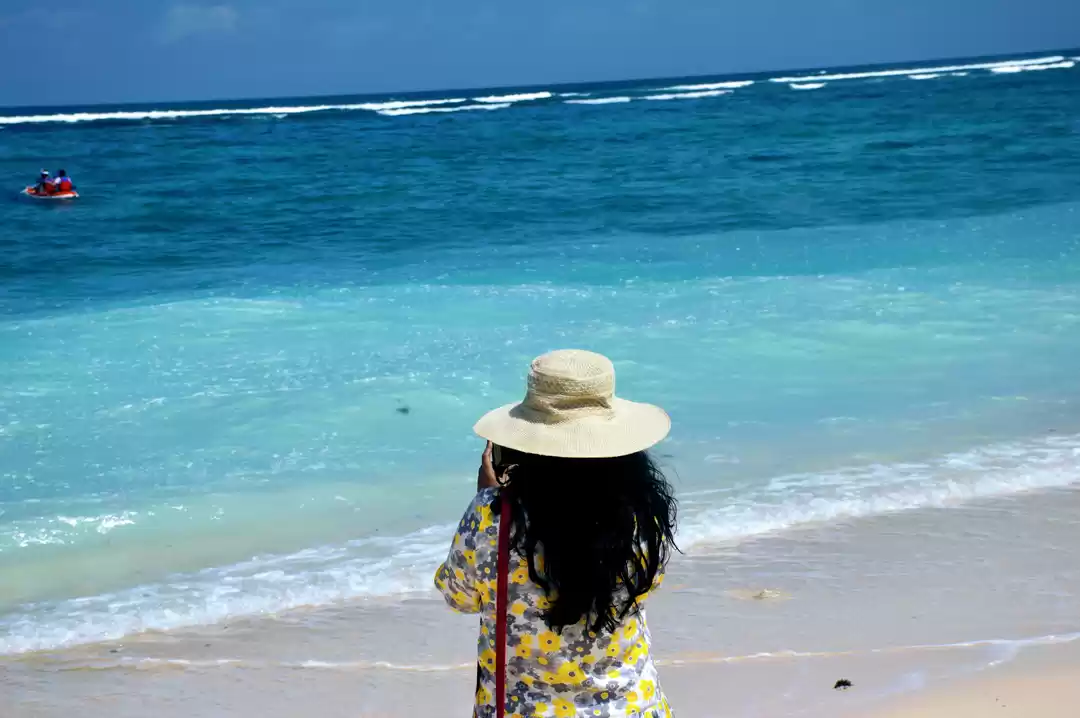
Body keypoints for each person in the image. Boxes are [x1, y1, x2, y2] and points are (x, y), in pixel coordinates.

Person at [435, 349, 678, 718]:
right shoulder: (641, 513)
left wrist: (488, 498)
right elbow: (648, 584)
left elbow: (459, 596)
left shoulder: (492, 518)